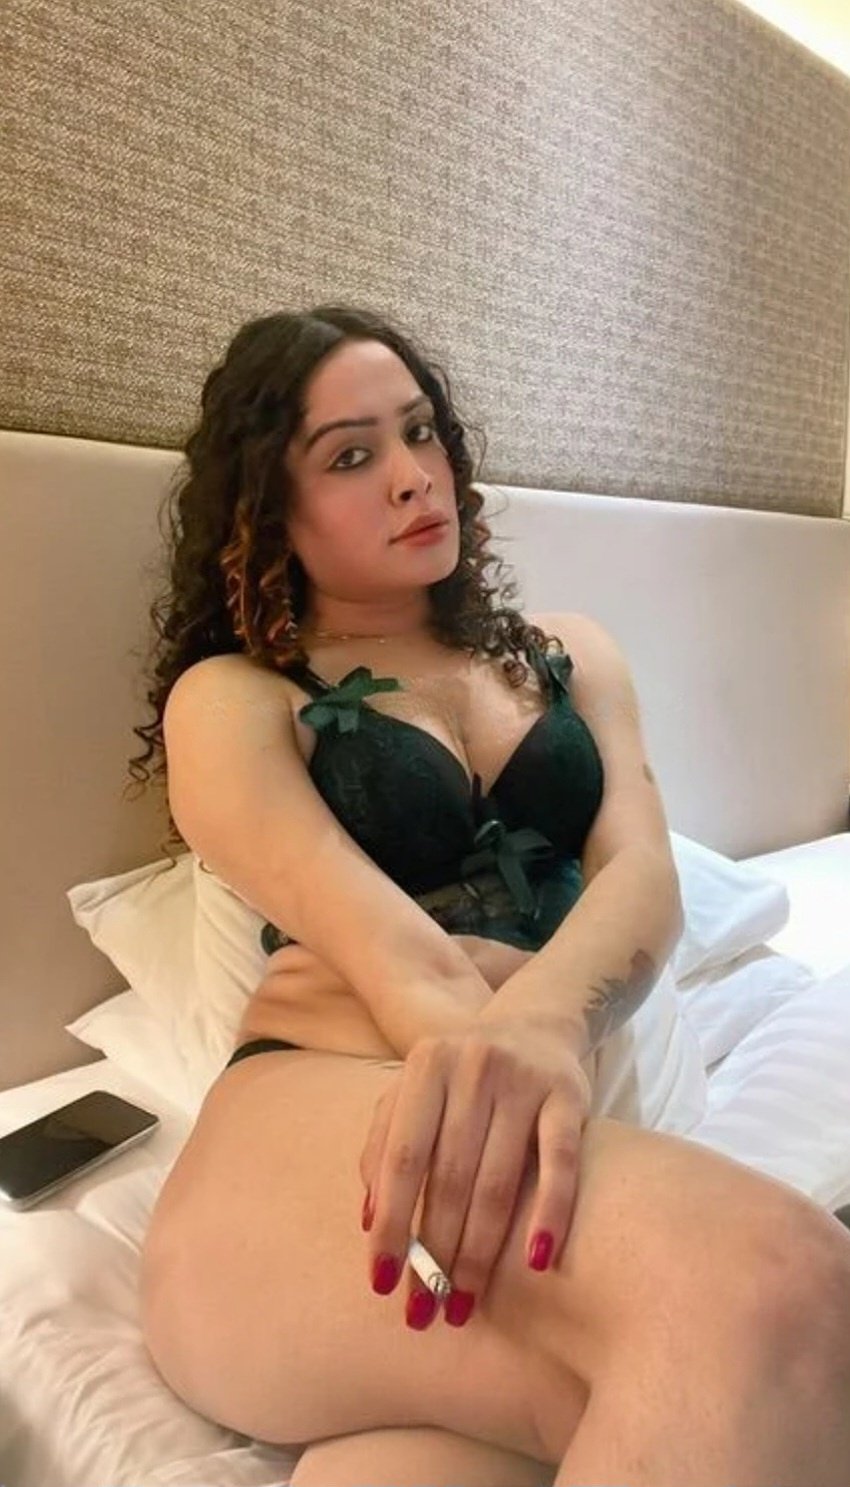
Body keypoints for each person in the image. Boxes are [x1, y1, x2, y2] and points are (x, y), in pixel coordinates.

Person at [137, 304, 850, 1487]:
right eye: (351, 455)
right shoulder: (233, 698)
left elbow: (642, 875)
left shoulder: (568, 652)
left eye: (420, 432)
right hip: (310, 1136)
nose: (412, 475)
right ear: (269, 509)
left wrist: (550, 1021)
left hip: (527, 1106)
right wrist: (516, 1042)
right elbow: (395, 955)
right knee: (782, 1283)